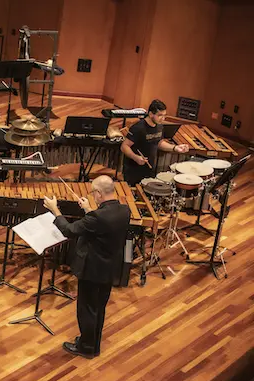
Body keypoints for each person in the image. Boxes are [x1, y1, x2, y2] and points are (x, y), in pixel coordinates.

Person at [42, 175, 131, 359]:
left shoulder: (98, 218)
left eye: (93, 193)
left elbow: (69, 230)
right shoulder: (124, 210)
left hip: (92, 269)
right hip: (109, 267)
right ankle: (91, 342)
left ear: (98, 193)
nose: (93, 196)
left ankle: (87, 347)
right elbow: (102, 226)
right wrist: (89, 210)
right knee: (98, 308)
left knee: (87, 309)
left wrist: (55, 210)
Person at [121, 99, 189, 186]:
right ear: (150, 114)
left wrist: (174, 148)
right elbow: (124, 146)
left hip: (150, 168)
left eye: (164, 115)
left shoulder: (159, 126)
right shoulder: (138, 128)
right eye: (160, 115)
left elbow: (159, 142)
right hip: (133, 170)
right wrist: (135, 157)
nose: (163, 118)